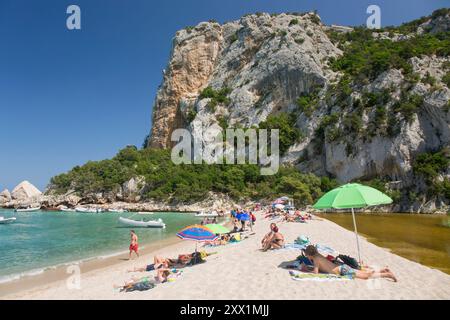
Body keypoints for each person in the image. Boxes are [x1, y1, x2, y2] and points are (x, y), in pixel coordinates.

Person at [302, 245, 397, 281]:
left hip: (342, 270)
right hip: (342, 267)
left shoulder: (315, 260)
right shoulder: (319, 256)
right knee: (365, 273)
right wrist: (310, 268)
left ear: (310, 255)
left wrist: (306, 269)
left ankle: (387, 274)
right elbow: (321, 268)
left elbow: (316, 273)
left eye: (307, 255)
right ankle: (383, 270)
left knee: (366, 277)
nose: (307, 257)